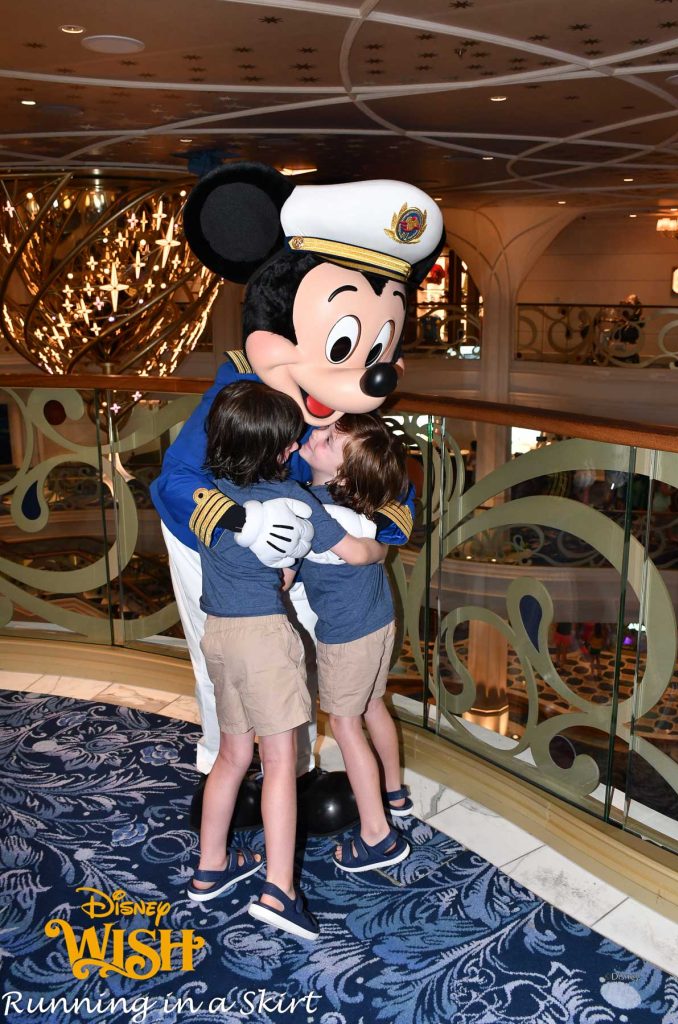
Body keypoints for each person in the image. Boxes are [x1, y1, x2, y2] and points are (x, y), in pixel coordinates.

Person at [151, 162, 444, 831]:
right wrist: (239, 523)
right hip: (220, 551)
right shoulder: (237, 395)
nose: (367, 370)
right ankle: (225, 761)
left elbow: (397, 490)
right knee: (222, 658)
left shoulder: (346, 423)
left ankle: (296, 767)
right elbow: (174, 481)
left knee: (309, 656)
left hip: (319, 553)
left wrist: (377, 540)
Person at [187, 381, 387, 940]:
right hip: (265, 641)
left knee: (231, 756)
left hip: (219, 636)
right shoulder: (295, 501)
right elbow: (350, 550)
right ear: (279, 453)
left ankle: (211, 866)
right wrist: (381, 547)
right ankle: (280, 889)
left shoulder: (213, 500)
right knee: (279, 764)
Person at [297, 413, 413, 872]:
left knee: (345, 726)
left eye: (327, 439)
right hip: (379, 621)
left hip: (347, 635)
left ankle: (377, 836)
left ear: (343, 473)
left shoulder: (313, 511)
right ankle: (394, 793)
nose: (315, 437)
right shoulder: (361, 506)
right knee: (374, 706)